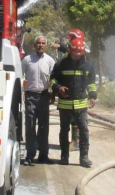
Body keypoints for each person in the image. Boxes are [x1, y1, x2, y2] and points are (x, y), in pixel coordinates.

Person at [50, 37, 97, 168]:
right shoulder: (61, 64)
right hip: (65, 104)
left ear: (83, 52)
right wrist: (58, 87)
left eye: (79, 54)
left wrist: (93, 95)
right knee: (64, 130)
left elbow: (92, 82)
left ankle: (84, 158)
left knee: (84, 130)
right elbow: (53, 79)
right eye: (74, 54)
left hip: (81, 104)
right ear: (70, 51)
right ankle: (64, 156)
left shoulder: (89, 65)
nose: (76, 57)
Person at [21, 35, 56, 166]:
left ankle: (43, 155)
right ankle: (29, 155)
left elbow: (53, 79)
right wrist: (22, 93)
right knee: (30, 126)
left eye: (43, 43)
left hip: (44, 96)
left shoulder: (50, 61)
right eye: (38, 43)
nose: (40, 45)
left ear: (46, 46)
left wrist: (53, 94)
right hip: (30, 96)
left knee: (43, 126)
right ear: (34, 45)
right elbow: (19, 77)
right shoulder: (27, 60)